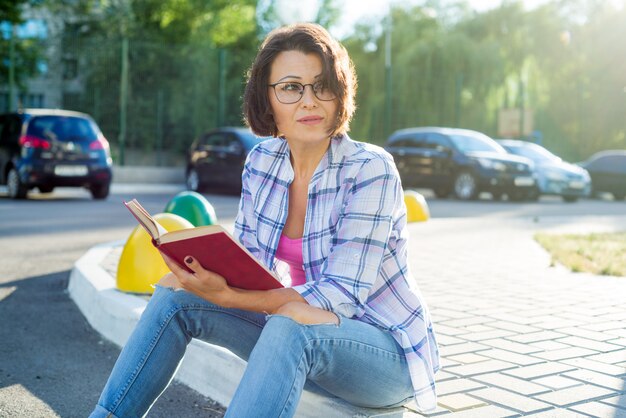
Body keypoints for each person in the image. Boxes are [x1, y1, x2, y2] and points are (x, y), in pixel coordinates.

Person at [90, 23, 439, 418]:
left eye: (322, 85)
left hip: (384, 355)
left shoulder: (370, 169)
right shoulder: (261, 161)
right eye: (291, 87)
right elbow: (253, 267)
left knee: (290, 323)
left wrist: (230, 297)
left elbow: (340, 297)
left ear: (340, 92)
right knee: (175, 296)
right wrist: (202, 274)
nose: (309, 101)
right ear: (267, 98)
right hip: (302, 334)